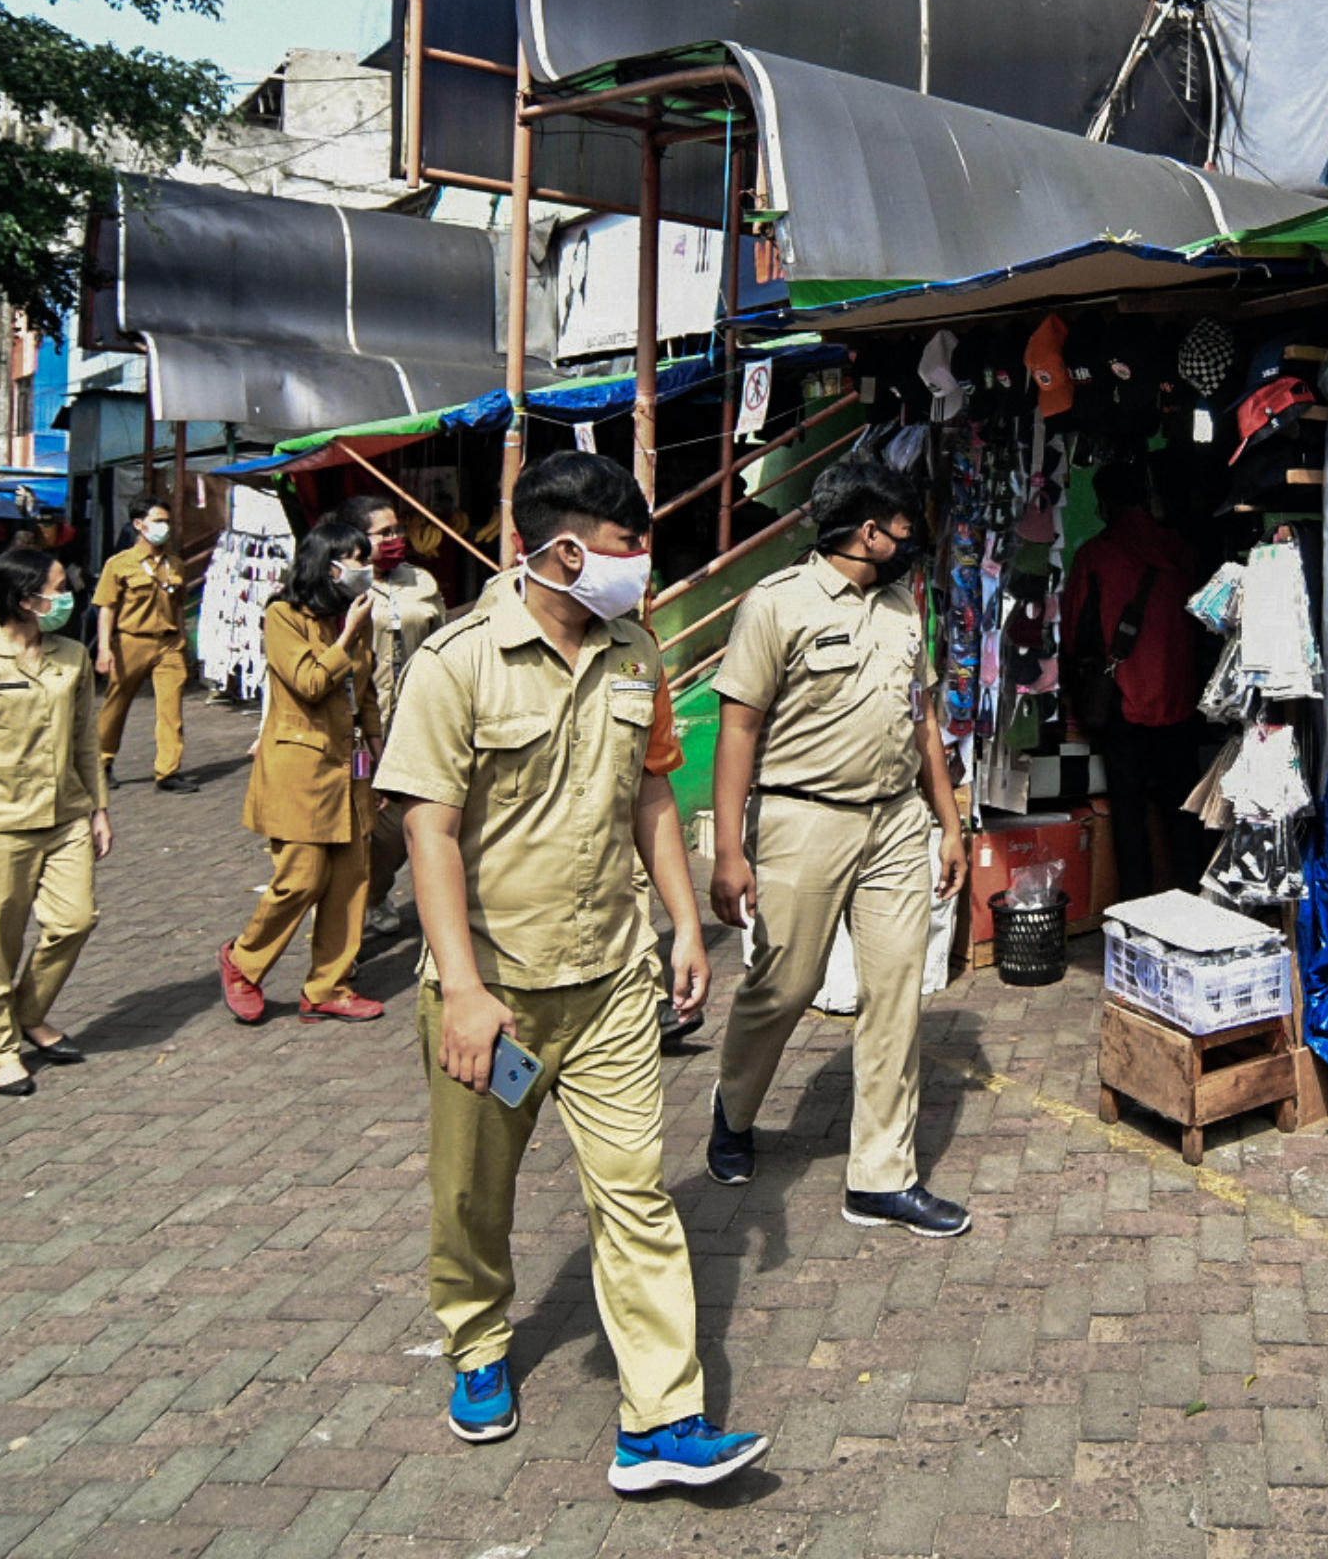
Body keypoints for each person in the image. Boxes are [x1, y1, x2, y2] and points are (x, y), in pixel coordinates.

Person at [373, 450, 763, 1489]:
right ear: (565, 550)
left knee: (636, 1193)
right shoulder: (456, 661)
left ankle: (662, 1419)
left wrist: (684, 923)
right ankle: (476, 1338)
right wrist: (460, 985)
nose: (645, 566)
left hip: (611, 984)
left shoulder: (637, 651)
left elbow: (649, 797)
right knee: (472, 1194)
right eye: (634, 548)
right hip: (492, 992)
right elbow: (431, 831)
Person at [704, 455, 970, 1237]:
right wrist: (729, 850)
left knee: (896, 994)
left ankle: (881, 1178)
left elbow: (922, 722)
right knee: (783, 985)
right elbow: (738, 729)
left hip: (893, 823)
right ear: (867, 531)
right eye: (902, 528)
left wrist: (948, 824)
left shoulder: (900, 606)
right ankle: (736, 1107)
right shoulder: (775, 606)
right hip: (801, 820)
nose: (911, 540)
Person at [0, 547, 110, 1096]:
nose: (67, 596)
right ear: (23, 598)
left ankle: (28, 1012)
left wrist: (99, 807)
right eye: (56, 588)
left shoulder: (73, 656)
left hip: (66, 818)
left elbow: (85, 738)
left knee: (75, 920)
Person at [221, 519, 388, 1025]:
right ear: (329, 565)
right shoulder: (284, 615)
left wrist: (381, 755)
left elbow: (366, 694)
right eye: (357, 559)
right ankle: (243, 961)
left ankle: (328, 986)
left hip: (351, 765)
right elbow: (311, 682)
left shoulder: (351, 619)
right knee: (301, 878)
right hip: (300, 767)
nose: (366, 568)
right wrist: (350, 636)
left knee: (351, 878)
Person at [1063, 460, 1206, 904]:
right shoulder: (1184, 552)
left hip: (1123, 701)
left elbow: (1072, 632)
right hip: (1182, 701)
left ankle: (1137, 910)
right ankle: (1190, 904)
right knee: (1183, 811)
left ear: (1105, 503)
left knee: (1128, 814)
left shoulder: (1096, 555)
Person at [335, 494, 447, 942]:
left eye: (398, 530)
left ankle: (374, 892)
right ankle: (346, 924)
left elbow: (441, 645)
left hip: (413, 726)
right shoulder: (346, 584)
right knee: (360, 821)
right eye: (385, 533)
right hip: (359, 729)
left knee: (398, 825)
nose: (397, 539)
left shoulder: (422, 581)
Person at [91, 500, 197, 792]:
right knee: (117, 703)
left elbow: (178, 603)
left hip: (168, 643)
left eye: (167, 521)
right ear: (139, 524)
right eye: (158, 520)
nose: (165, 527)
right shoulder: (119, 564)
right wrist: (104, 648)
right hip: (131, 641)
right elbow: (107, 608)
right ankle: (102, 761)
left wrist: (182, 640)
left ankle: (168, 771)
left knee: (171, 709)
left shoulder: (174, 564)